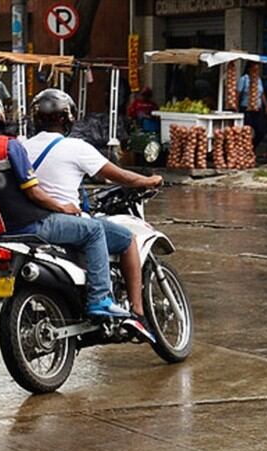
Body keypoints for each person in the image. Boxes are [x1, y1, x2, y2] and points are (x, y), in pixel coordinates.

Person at [0, 85, 130, 318]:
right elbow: (33, 193)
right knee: (94, 230)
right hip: (30, 227)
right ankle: (100, 299)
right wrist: (62, 207)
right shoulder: (9, 146)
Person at [23, 88, 163, 332]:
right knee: (125, 239)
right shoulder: (75, 147)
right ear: (67, 118)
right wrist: (149, 180)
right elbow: (120, 176)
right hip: (58, 220)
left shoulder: (22, 147)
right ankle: (132, 310)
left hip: (31, 222)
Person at [237, 62, 267, 148]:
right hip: (246, 108)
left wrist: (266, 107)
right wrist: (236, 108)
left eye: (258, 70)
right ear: (249, 69)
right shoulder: (244, 79)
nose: (256, 71)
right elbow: (238, 94)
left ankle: (252, 148)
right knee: (246, 131)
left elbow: (262, 94)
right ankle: (245, 150)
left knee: (261, 131)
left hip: (257, 109)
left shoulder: (258, 80)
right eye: (254, 69)